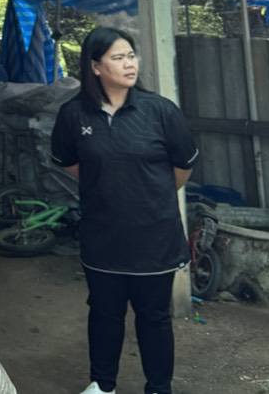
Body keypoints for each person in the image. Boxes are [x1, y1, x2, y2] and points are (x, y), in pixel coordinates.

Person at [51, 26, 198, 394]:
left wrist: (147, 193)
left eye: (131, 56)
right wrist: (110, 185)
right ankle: (103, 385)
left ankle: (159, 387)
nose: (129, 64)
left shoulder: (160, 111)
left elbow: (182, 167)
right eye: (118, 58)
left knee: (154, 317)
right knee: (104, 313)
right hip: (103, 236)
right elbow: (71, 163)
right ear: (95, 67)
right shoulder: (73, 115)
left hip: (155, 237)